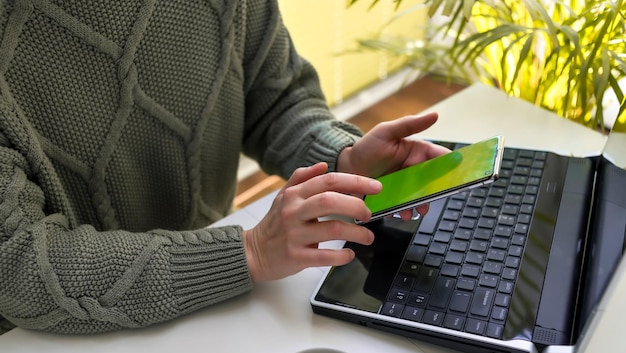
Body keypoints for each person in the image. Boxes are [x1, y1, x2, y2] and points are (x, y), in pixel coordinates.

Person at [0, 0, 448, 334]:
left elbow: (276, 98)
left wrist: (342, 158)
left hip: (219, 298)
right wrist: (248, 252)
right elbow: (18, 266)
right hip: (50, 350)